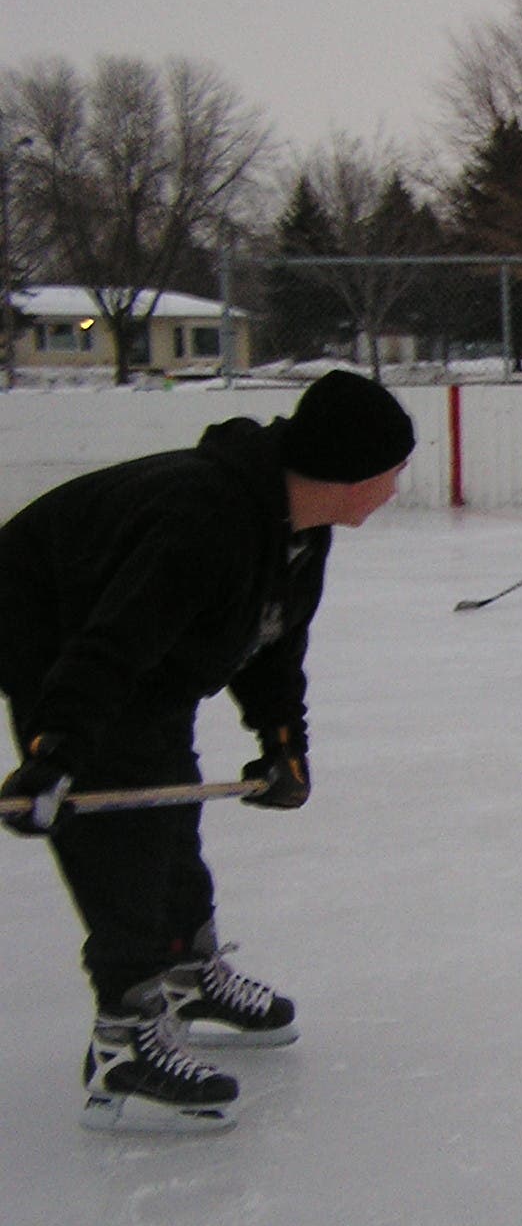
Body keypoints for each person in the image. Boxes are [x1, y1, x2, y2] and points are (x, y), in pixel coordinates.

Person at [0, 369, 415, 1132]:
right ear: (351, 472)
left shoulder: (297, 529)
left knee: (169, 796)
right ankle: (122, 1039)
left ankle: (186, 968)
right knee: (126, 825)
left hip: (138, 653)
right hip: (53, 629)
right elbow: (113, 641)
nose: (396, 487)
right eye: (392, 471)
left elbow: (274, 643)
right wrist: (55, 751)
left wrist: (281, 743)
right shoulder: (206, 520)